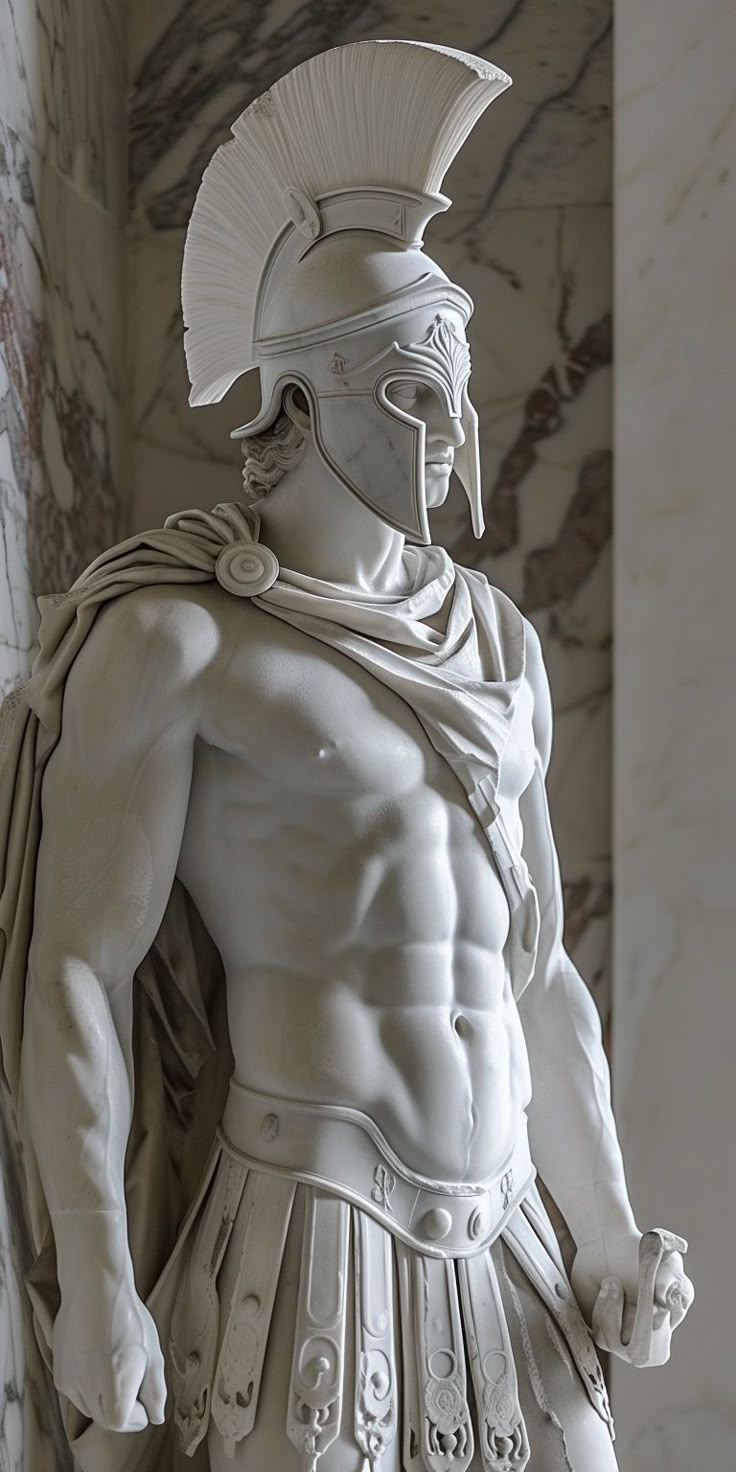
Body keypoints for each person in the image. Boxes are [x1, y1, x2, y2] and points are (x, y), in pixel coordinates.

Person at [1, 41, 692, 1472]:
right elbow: (78, 962)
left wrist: (610, 1228)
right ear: (299, 404)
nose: (449, 431)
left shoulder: (494, 642)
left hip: (513, 1242)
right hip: (309, 1233)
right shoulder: (180, 648)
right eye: (407, 391)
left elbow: (534, 963)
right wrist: (95, 1275)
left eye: (453, 387)